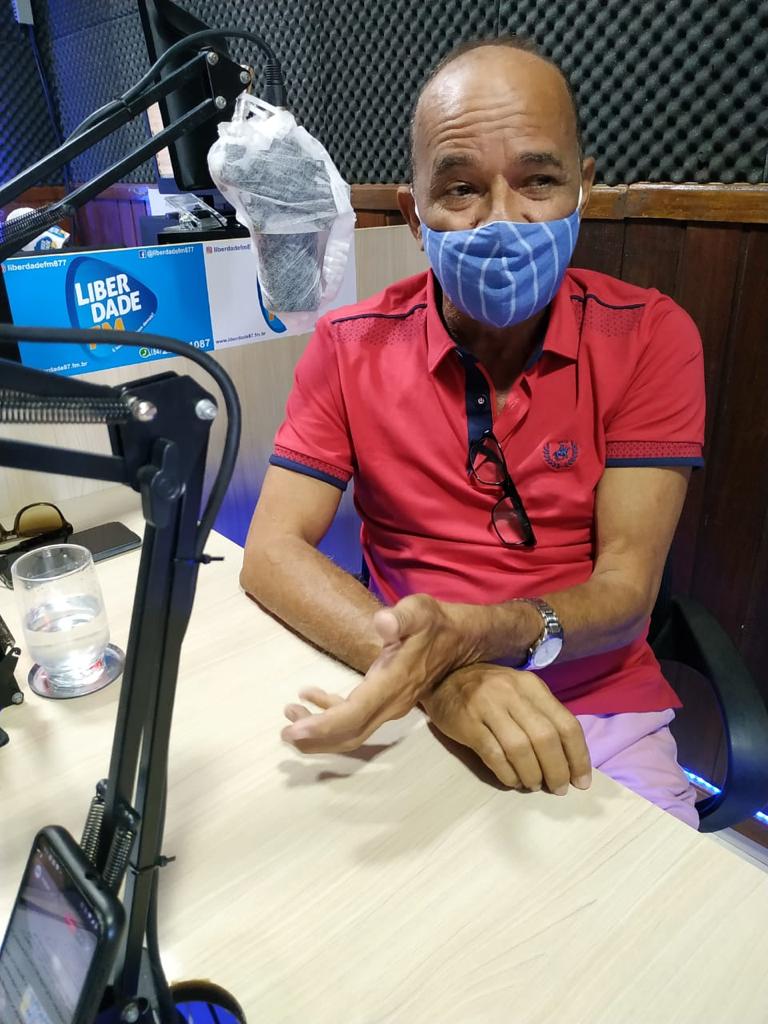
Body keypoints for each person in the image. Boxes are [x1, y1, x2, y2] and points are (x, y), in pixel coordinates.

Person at [240, 36, 705, 828]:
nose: (502, 220)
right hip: (407, 698)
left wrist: (477, 637)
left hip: (598, 705)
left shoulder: (650, 337)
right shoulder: (349, 346)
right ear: (413, 215)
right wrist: (444, 678)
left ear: (584, 189)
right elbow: (270, 552)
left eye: (539, 181)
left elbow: (628, 592)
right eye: (460, 188)